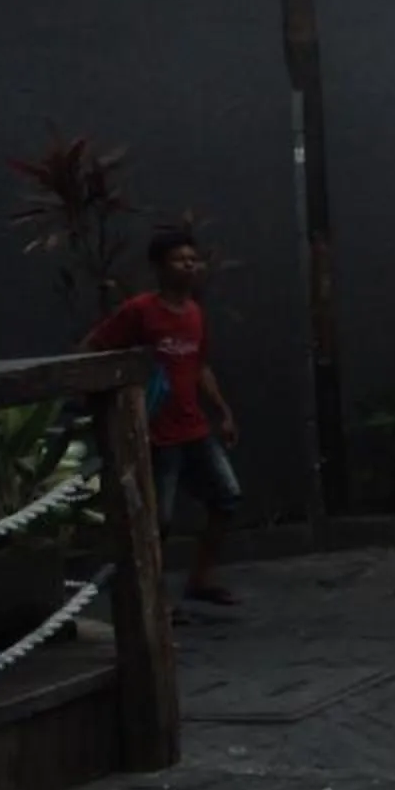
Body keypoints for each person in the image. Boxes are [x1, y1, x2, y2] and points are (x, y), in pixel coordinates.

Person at [87, 225, 243, 610]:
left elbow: (199, 366)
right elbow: (94, 347)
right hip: (156, 435)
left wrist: (223, 412)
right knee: (159, 522)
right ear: (159, 266)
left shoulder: (195, 314)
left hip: (194, 429)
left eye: (193, 258)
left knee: (226, 499)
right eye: (179, 259)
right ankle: (152, 599)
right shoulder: (140, 311)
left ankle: (200, 580)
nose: (189, 265)